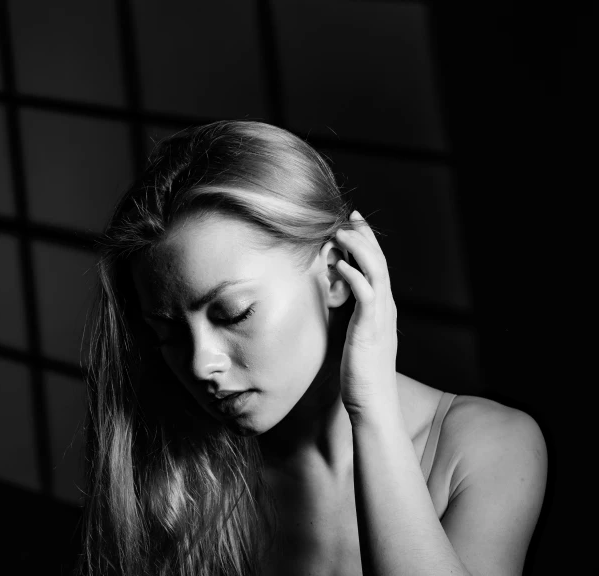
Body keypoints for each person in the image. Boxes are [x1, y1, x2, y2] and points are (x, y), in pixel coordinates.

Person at [76, 120, 547, 576]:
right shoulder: (188, 477)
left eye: (234, 313)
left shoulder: (486, 446)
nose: (200, 363)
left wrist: (372, 407)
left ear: (336, 275)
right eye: (168, 334)